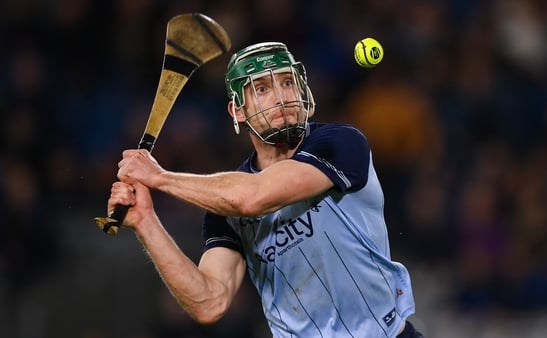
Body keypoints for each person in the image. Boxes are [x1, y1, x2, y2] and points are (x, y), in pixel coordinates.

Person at [106, 42, 423, 337]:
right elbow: (209, 302)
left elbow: (252, 198)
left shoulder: (339, 143)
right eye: (262, 88)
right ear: (237, 111)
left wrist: (160, 177)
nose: (281, 96)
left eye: (287, 82)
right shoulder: (224, 204)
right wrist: (146, 222)